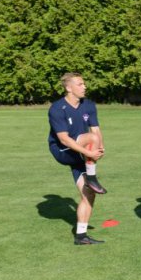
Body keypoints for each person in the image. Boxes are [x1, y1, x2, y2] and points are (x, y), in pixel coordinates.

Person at [47, 72, 108, 245]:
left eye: (84, 83)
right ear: (68, 88)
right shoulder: (57, 108)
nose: (84, 87)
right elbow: (64, 139)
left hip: (81, 152)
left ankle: (81, 236)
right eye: (80, 84)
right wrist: (90, 153)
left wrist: (100, 147)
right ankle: (92, 177)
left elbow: (95, 129)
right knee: (91, 138)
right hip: (63, 150)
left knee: (89, 194)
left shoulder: (88, 105)